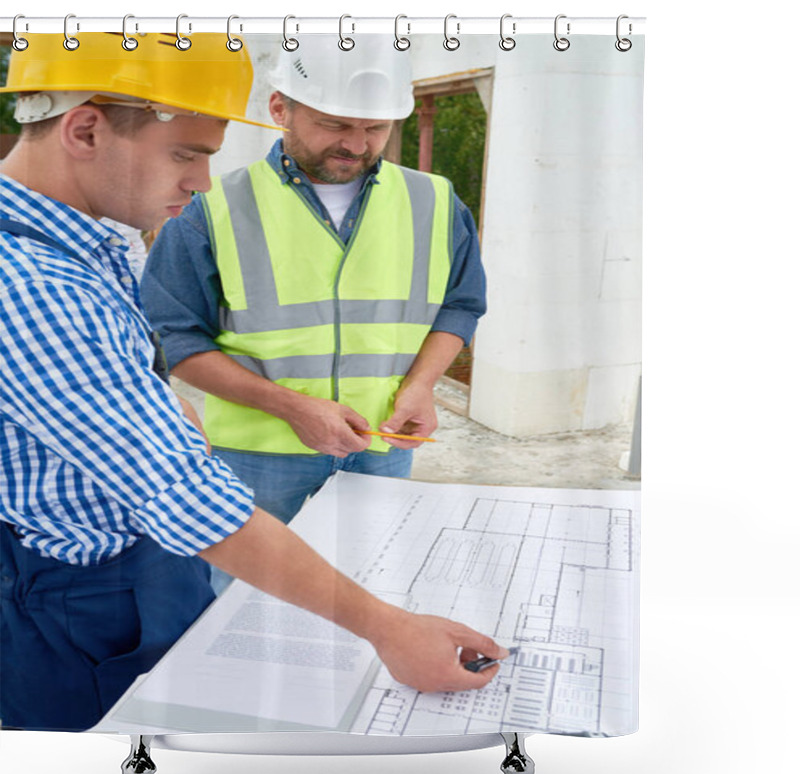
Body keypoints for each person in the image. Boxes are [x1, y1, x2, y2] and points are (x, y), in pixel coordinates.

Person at [0, 32, 506, 733]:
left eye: (373, 127)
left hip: (181, 538)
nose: (201, 180)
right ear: (84, 128)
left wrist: (147, 402)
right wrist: (389, 630)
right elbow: (186, 497)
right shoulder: (39, 284)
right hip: (105, 577)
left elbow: (116, 362)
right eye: (188, 154)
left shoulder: (87, 242)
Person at [140, 37, 487, 587]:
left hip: (382, 445)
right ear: (280, 108)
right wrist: (292, 407)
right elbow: (175, 340)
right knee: (244, 607)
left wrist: (421, 387)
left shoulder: (436, 201)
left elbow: (460, 305)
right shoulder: (210, 208)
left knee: (369, 586)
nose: (357, 144)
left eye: (375, 128)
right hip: (258, 455)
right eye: (335, 125)